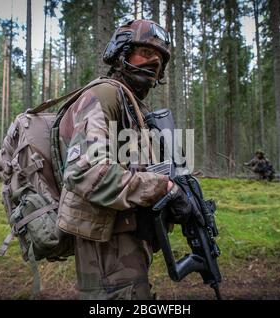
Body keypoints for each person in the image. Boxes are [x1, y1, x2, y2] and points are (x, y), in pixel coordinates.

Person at [56, 20, 195, 300]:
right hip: (107, 245)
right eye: (144, 51)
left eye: (160, 58)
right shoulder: (104, 94)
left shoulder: (132, 105)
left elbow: (135, 169)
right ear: (121, 53)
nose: (154, 60)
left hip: (126, 241)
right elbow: (85, 171)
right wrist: (164, 188)